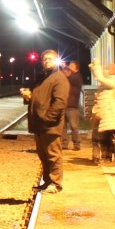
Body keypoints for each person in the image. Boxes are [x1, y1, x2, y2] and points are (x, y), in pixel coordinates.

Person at [21, 49, 69, 194]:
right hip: (39, 124)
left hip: (50, 125)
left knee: (53, 155)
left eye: (50, 58)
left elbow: (60, 102)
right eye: (44, 59)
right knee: (44, 155)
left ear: (57, 60)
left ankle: (55, 184)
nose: (46, 61)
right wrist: (28, 96)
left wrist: (48, 118)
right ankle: (47, 181)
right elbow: (39, 97)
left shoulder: (59, 78)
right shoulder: (42, 78)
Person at [89, 61, 115, 166]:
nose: (104, 71)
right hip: (104, 112)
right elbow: (99, 78)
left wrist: (96, 67)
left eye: (106, 69)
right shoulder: (108, 81)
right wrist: (93, 68)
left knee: (113, 137)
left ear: (111, 71)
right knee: (104, 138)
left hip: (109, 112)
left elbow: (100, 78)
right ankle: (107, 158)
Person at [62, 61, 84, 151]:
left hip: (72, 106)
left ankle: (77, 144)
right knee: (63, 127)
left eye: (71, 66)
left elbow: (71, 77)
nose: (69, 67)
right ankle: (64, 144)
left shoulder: (77, 77)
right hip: (63, 105)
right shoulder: (67, 77)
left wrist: (65, 67)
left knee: (74, 126)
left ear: (76, 69)